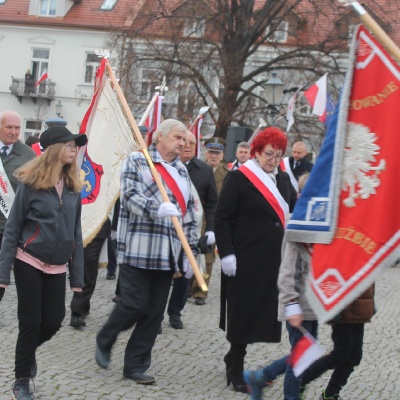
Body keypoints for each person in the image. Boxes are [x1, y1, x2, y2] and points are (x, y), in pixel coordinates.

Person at [95, 119, 199, 385]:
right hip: (138, 249)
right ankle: (106, 337)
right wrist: (157, 209)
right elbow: (129, 197)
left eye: (185, 140)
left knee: (154, 314)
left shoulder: (181, 171)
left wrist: (192, 250)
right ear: (159, 137)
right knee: (133, 304)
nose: (182, 144)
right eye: (177, 137)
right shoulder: (138, 160)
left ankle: (135, 365)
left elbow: (188, 214)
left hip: (167, 255)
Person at [0, 125, 87, 400]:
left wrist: (78, 281)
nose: (75, 149)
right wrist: (2, 275)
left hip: (58, 266)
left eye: (76, 145)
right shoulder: (31, 183)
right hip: (29, 260)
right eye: (70, 145)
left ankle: (26, 353)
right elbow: (12, 229)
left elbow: (76, 234)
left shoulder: (74, 187)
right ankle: (21, 380)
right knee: (29, 322)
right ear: (54, 149)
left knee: (53, 321)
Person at [214, 127, 293, 393]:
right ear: (257, 152)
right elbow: (222, 218)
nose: (273, 159)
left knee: (260, 311)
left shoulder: (282, 180)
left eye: (278, 155)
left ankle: (234, 357)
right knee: (242, 312)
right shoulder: (240, 179)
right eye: (269, 154)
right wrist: (226, 252)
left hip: (272, 260)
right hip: (243, 258)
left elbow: (294, 209)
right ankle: (236, 366)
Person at [243, 173, 319, 400]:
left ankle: (260, 376)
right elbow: (287, 270)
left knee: (305, 351)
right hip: (298, 302)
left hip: (313, 303)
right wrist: (291, 304)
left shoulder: (319, 223)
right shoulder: (296, 224)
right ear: (300, 196)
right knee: (301, 355)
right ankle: (277, 388)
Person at [166, 130, 218, 329]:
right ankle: (154, 314)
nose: (187, 146)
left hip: (191, 231)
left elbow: (212, 203)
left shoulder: (204, 170)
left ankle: (175, 312)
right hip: (167, 229)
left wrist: (211, 229)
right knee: (164, 274)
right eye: (183, 141)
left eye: (191, 143)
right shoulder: (167, 166)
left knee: (186, 273)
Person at [300, 286, 375, 400]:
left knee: (354, 357)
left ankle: (330, 394)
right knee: (340, 355)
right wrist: (333, 309)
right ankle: (300, 381)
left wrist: (370, 304)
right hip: (344, 312)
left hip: (359, 310)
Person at [0, 111, 36, 303]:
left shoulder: (28, 155)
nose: (14, 132)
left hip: (10, 229)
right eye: (9, 127)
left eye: (17, 128)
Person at [190, 136, 229, 306]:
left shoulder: (227, 175)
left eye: (217, 153)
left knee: (207, 255)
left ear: (222, 155)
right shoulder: (196, 169)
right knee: (190, 251)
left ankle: (200, 291)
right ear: (206, 153)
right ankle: (186, 287)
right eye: (211, 152)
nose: (213, 156)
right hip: (194, 217)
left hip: (214, 219)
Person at [70, 218, 111, 328]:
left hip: (96, 224)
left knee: (89, 267)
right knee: (82, 266)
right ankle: (83, 305)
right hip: (75, 223)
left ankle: (78, 310)